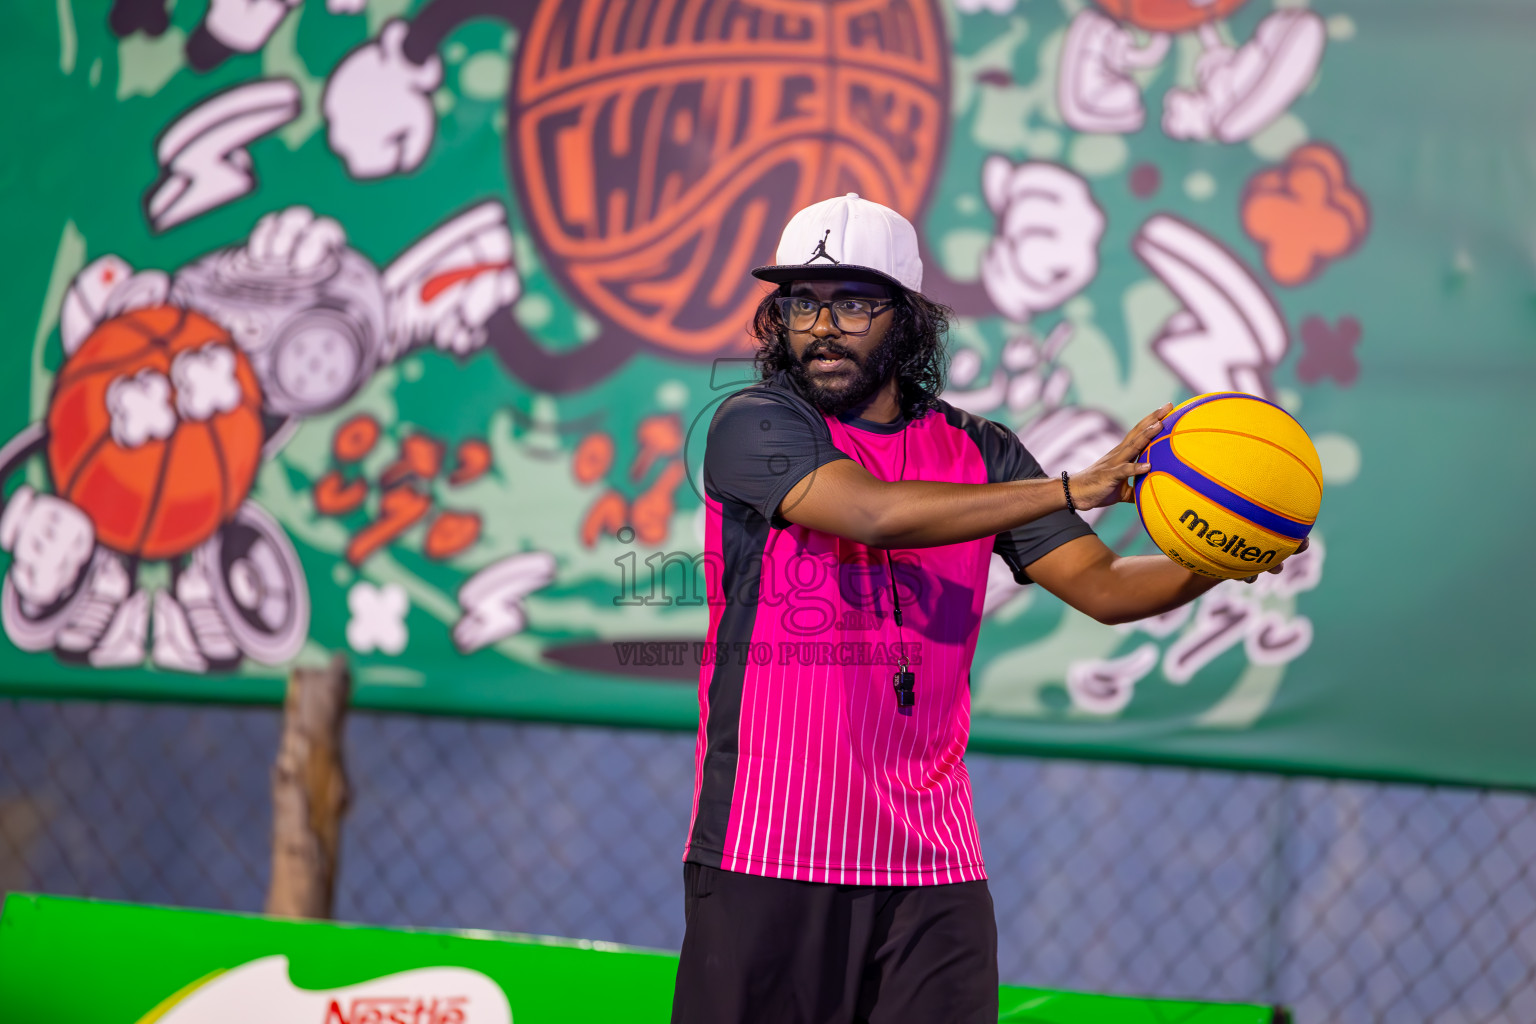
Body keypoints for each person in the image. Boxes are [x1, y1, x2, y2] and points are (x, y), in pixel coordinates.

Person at [673, 194, 1290, 1024]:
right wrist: (1076, 487)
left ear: (909, 321)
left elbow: (1105, 589)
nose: (822, 325)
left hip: (931, 863)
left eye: (854, 302)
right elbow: (872, 513)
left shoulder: (983, 450)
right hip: (769, 845)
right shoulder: (753, 423)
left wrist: (1222, 554)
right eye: (801, 303)